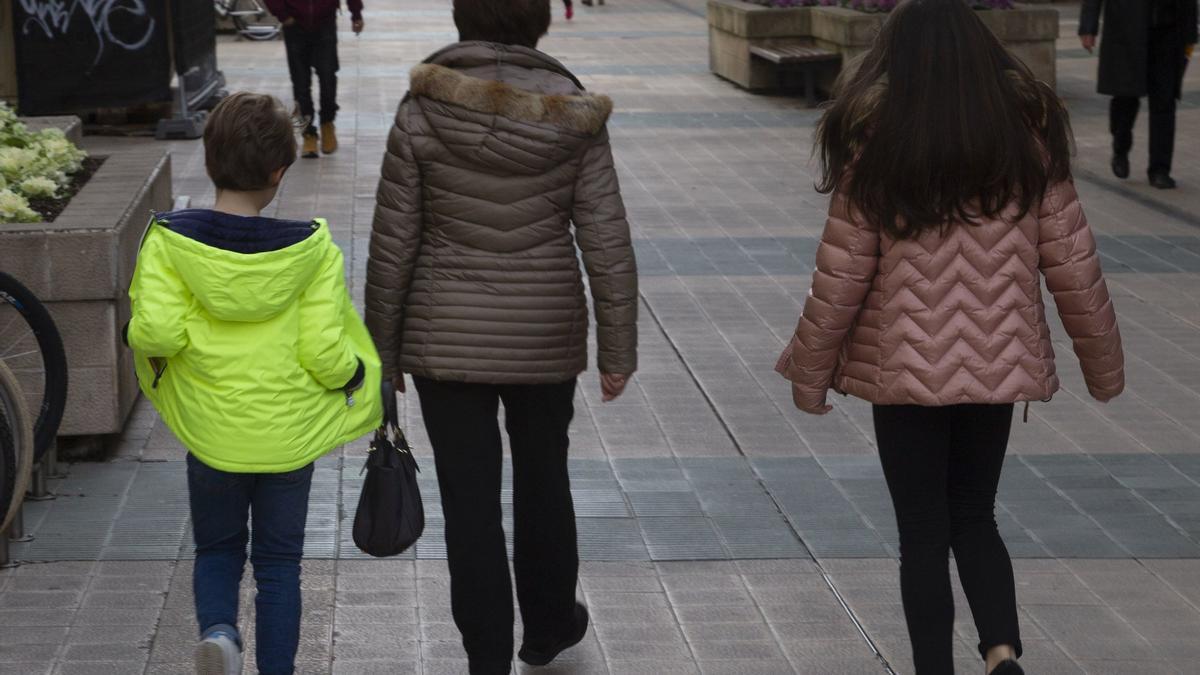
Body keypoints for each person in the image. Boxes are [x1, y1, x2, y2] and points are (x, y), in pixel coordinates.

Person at [774, 1, 1125, 674]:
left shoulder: (877, 137)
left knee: (922, 534)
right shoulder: (1027, 135)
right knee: (975, 514)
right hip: (995, 366)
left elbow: (843, 270)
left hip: (903, 368)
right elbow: (1074, 262)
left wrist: (810, 371)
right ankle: (1000, 651)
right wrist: (1102, 364)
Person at [363, 0, 638, 671]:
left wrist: (383, 347)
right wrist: (617, 348)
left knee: (469, 498)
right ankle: (548, 625)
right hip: (544, 330)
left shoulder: (423, 106)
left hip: (443, 333)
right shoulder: (573, 113)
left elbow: (393, 238)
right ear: (538, 20)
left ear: (463, 18)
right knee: (545, 477)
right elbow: (605, 237)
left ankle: (486, 652)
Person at [125, 92, 382, 675]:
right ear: (278, 172)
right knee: (278, 564)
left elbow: (157, 332)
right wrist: (356, 375)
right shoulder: (311, 249)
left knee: (217, 548)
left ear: (211, 161)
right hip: (286, 437)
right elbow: (324, 354)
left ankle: (220, 633)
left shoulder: (168, 240)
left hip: (213, 432)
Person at [1080, 0, 1198, 189]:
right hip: (1127, 28)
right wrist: (1088, 25)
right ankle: (1120, 147)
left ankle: (1160, 169)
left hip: (1170, 29)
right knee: (1126, 96)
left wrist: (1191, 32)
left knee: (1165, 100)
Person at [263, 0, 366, 158]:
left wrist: (356, 13)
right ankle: (308, 133)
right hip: (294, 25)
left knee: (327, 77)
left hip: (325, 23)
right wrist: (283, 15)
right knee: (300, 83)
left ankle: (327, 123)